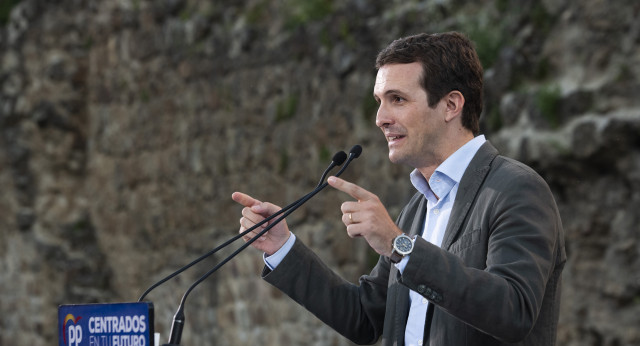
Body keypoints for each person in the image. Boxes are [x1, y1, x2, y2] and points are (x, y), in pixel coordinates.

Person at [232, 32, 566, 346]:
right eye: (379, 101)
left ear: (451, 105)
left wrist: (398, 245)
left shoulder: (516, 189)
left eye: (397, 99)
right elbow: (364, 317)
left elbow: (514, 311)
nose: (380, 118)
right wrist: (281, 247)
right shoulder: (419, 207)